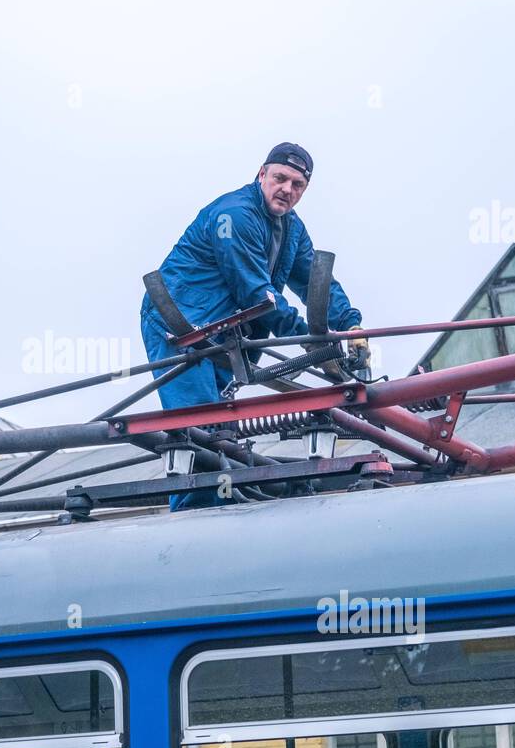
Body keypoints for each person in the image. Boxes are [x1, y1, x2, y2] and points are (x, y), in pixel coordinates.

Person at [140, 142, 369, 510]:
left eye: (297, 185)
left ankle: (213, 510)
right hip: (181, 327)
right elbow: (256, 296)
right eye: (280, 178)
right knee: (199, 434)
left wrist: (351, 324)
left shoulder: (291, 229)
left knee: (217, 433)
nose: (287, 190)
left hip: (220, 337)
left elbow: (313, 280)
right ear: (261, 174)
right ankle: (192, 522)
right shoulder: (236, 215)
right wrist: (314, 343)